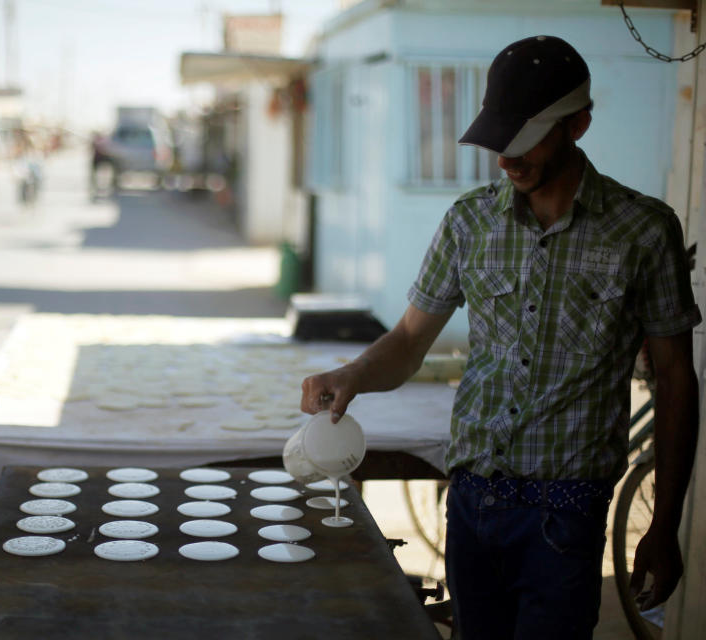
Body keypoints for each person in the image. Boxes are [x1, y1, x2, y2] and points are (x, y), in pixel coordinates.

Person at [300, 35, 700, 640]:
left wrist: (664, 523)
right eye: (498, 140)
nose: (506, 159)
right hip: (471, 504)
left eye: (525, 139)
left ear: (578, 125)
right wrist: (352, 376)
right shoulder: (469, 221)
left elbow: (674, 378)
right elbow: (409, 340)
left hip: (566, 514)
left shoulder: (643, 230)